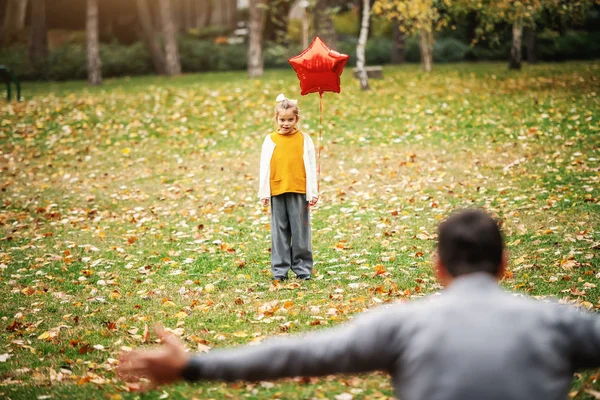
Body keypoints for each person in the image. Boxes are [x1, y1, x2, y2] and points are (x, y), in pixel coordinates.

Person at [117, 209, 600, 399]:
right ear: (505, 265)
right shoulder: (557, 323)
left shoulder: (404, 325)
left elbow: (299, 353)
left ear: (438, 266)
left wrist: (193, 367)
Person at [258, 93, 318, 281]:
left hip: (299, 189)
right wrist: (264, 193)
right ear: (276, 119)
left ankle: (302, 269)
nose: (286, 123)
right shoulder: (270, 139)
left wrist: (313, 192)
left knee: (301, 232)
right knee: (280, 232)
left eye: (290, 119)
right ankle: (280, 270)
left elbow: (311, 165)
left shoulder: (304, 139)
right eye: (282, 119)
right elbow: (264, 166)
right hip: (277, 190)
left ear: (296, 119)